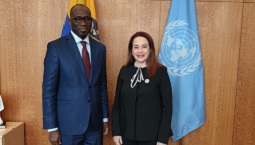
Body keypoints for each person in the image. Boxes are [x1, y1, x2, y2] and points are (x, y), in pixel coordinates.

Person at [42, 4, 109, 145]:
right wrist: (52, 127)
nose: (83, 23)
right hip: (68, 126)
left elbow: (102, 86)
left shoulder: (100, 49)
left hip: (94, 125)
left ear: (92, 22)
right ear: (70, 21)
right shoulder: (56, 47)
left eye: (87, 19)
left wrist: (104, 118)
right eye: (78, 19)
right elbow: (49, 90)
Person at [112, 31, 173, 145]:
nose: (140, 51)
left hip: (152, 138)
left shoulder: (160, 72)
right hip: (126, 136)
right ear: (131, 50)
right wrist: (116, 132)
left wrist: (162, 138)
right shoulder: (124, 71)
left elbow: (167, 108)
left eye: (144, 47)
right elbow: (117, 105)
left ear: (150, 49)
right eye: (136, 47)